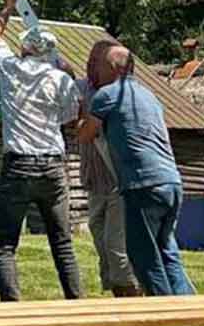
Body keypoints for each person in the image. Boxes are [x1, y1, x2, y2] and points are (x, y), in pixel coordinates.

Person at [0, 0, 83, 302]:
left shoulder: (10, 68)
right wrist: (66, 71)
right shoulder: (60, 80)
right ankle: (76, 300)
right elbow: (70, 116)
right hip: (52, 164)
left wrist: (8, 6)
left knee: (4, 244)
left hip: (19, 163)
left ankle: (13, 306)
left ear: (25, 48)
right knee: (62, 240)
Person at [83, 47, 195, 296]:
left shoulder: (106, 95)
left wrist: (80, 117)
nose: (94, 71)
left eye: (99, 65)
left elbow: (86, 134)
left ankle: (164, 313)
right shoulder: (149, 95)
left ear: (114, 68)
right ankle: (186, 307)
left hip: (142, 184)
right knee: (166, 248)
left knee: (143, 254)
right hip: (171, 182)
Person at [78, 39, 140, 298]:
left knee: (118, 247)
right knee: (103, 245)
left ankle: (133, 304)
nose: (92, 66)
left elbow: (86, 131)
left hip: (118, 181)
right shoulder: (86, 88)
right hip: (95, 182)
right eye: (91, 61)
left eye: (97, 62)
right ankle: (117, 303)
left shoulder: (117, 94)